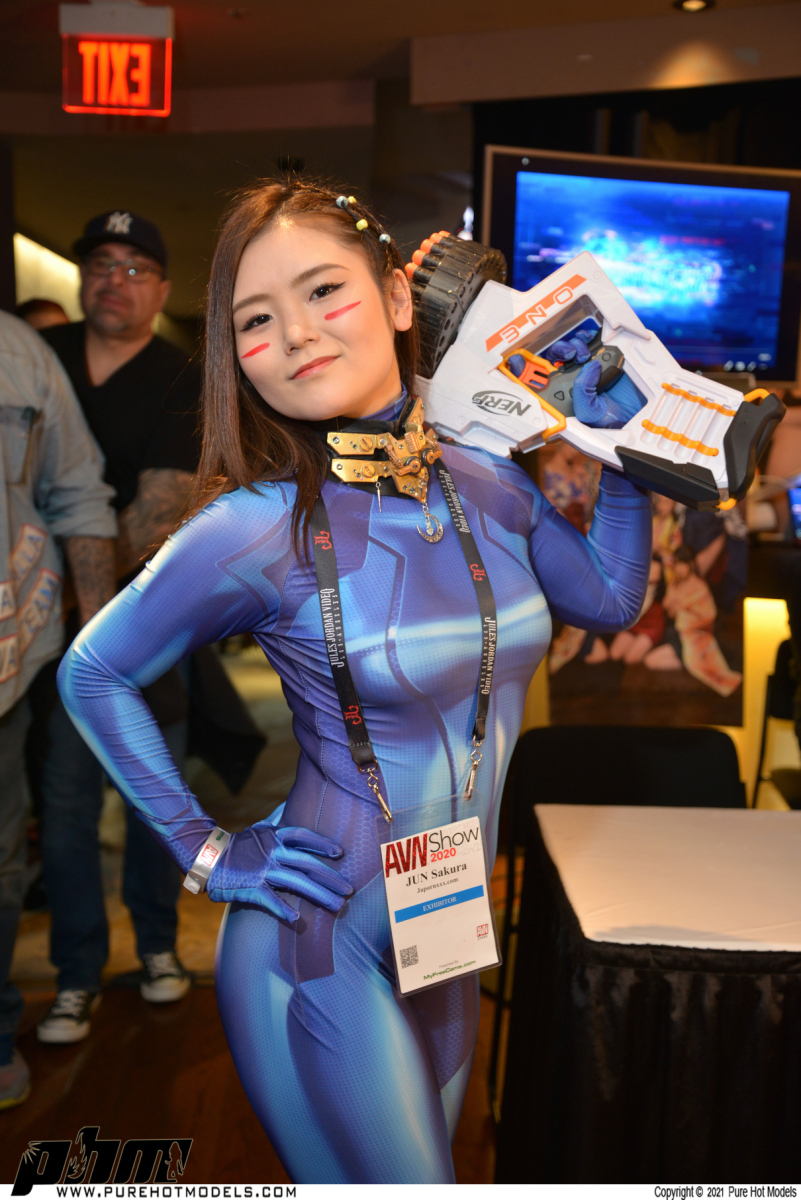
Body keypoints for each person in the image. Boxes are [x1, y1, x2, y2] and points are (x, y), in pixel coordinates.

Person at [57, 180, 652, 1182]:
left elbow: (608, 598)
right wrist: (207, 851)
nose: (294, 332)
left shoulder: (487, 481)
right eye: (254, 319)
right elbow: (93, 672)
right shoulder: (255, 525)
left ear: (397, 296)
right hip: (314, 938)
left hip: (447, 923)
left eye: (323, 289)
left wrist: (622, 454)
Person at [33, 211, 201, 1044]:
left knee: (151, 799)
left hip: (148, 626)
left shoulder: (180, 377)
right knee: (63, 809)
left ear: (161, 291)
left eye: (136, 267)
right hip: (42, 632)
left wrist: (57, 579)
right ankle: (75, 975)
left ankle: (159, 948)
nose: (115, 280)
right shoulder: (43, 359)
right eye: (101, 262)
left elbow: (156, 515)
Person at [0, 312, 116, 1109]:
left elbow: (79, 497)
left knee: (1, 860)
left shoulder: (20, 353)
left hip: (6, 671)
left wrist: (99, 661)